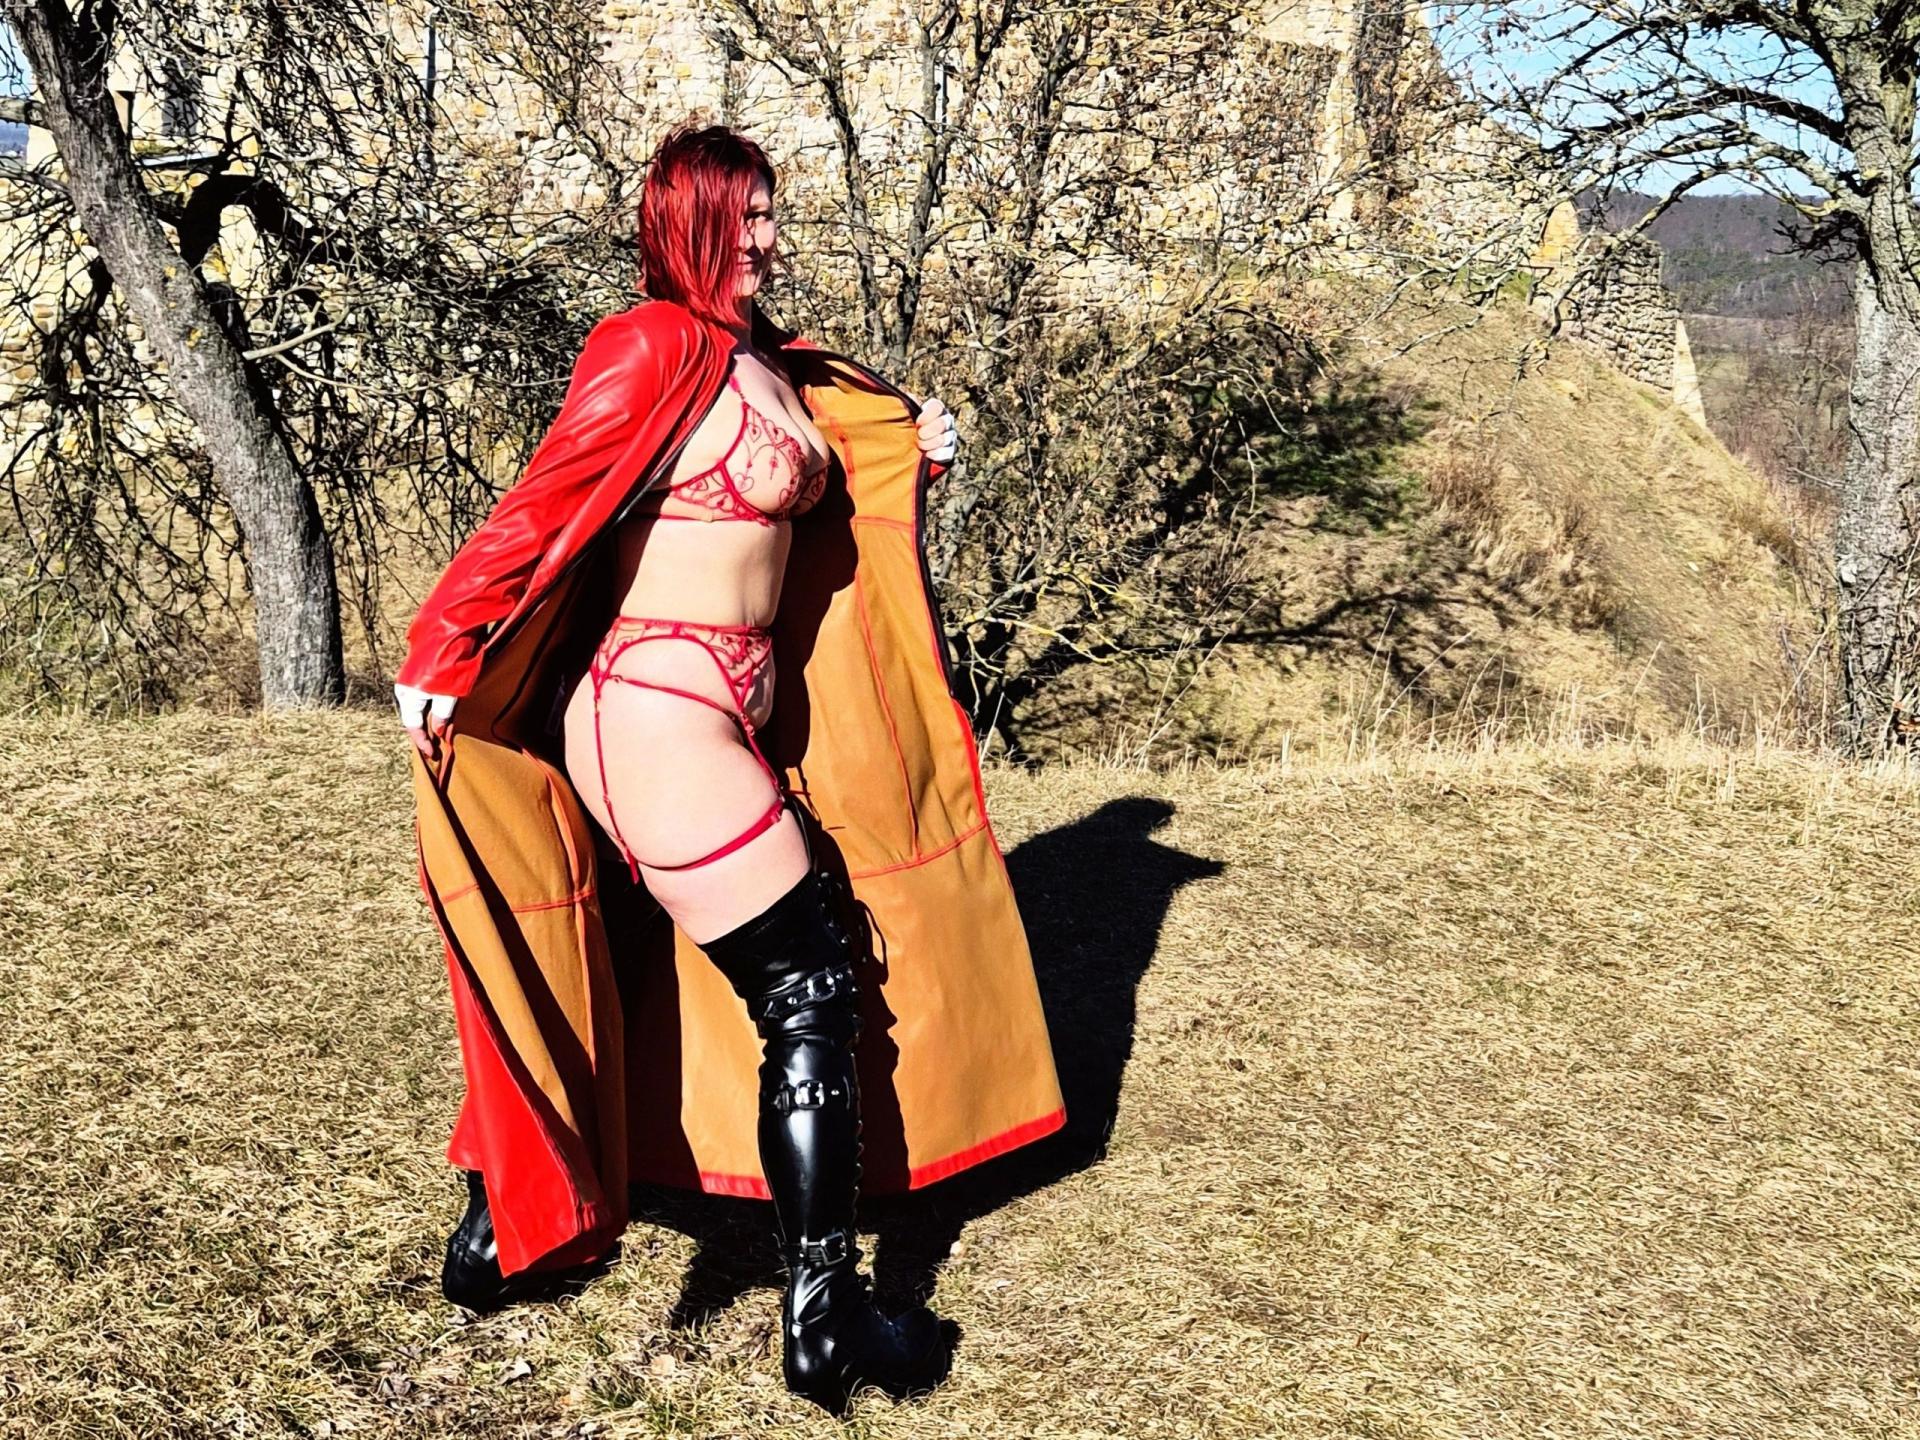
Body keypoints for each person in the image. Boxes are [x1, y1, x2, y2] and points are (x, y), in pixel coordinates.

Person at [389, 123, 1060, 1416]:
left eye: (771, 214)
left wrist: (905, 446)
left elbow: (815, 486)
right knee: (809, 982)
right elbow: (545, 497)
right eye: (745, 218)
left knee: (645, 976)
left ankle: (494, 1235)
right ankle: (827, 1319)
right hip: (654, 710)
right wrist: (445, 645)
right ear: (689, 222)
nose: (768, 237)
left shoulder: (760, 357)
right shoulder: (648, 345)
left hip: (720, 716)